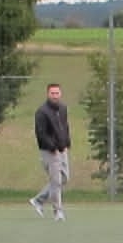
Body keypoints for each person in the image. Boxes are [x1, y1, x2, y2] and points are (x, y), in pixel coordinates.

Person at [29, 83, 70, 221]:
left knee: (64, 178)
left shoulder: (63, 108)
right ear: (48, 94)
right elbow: (41, 134)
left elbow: (65, 127)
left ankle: (38, 200)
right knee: (56, 181)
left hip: (62, 149)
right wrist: (52, 148)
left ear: (60, 94)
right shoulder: (42, 112)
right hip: (49, 151)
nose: (55, 96)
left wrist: (66, 143)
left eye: (57, 93)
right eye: (52, 93)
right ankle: (58, 212)